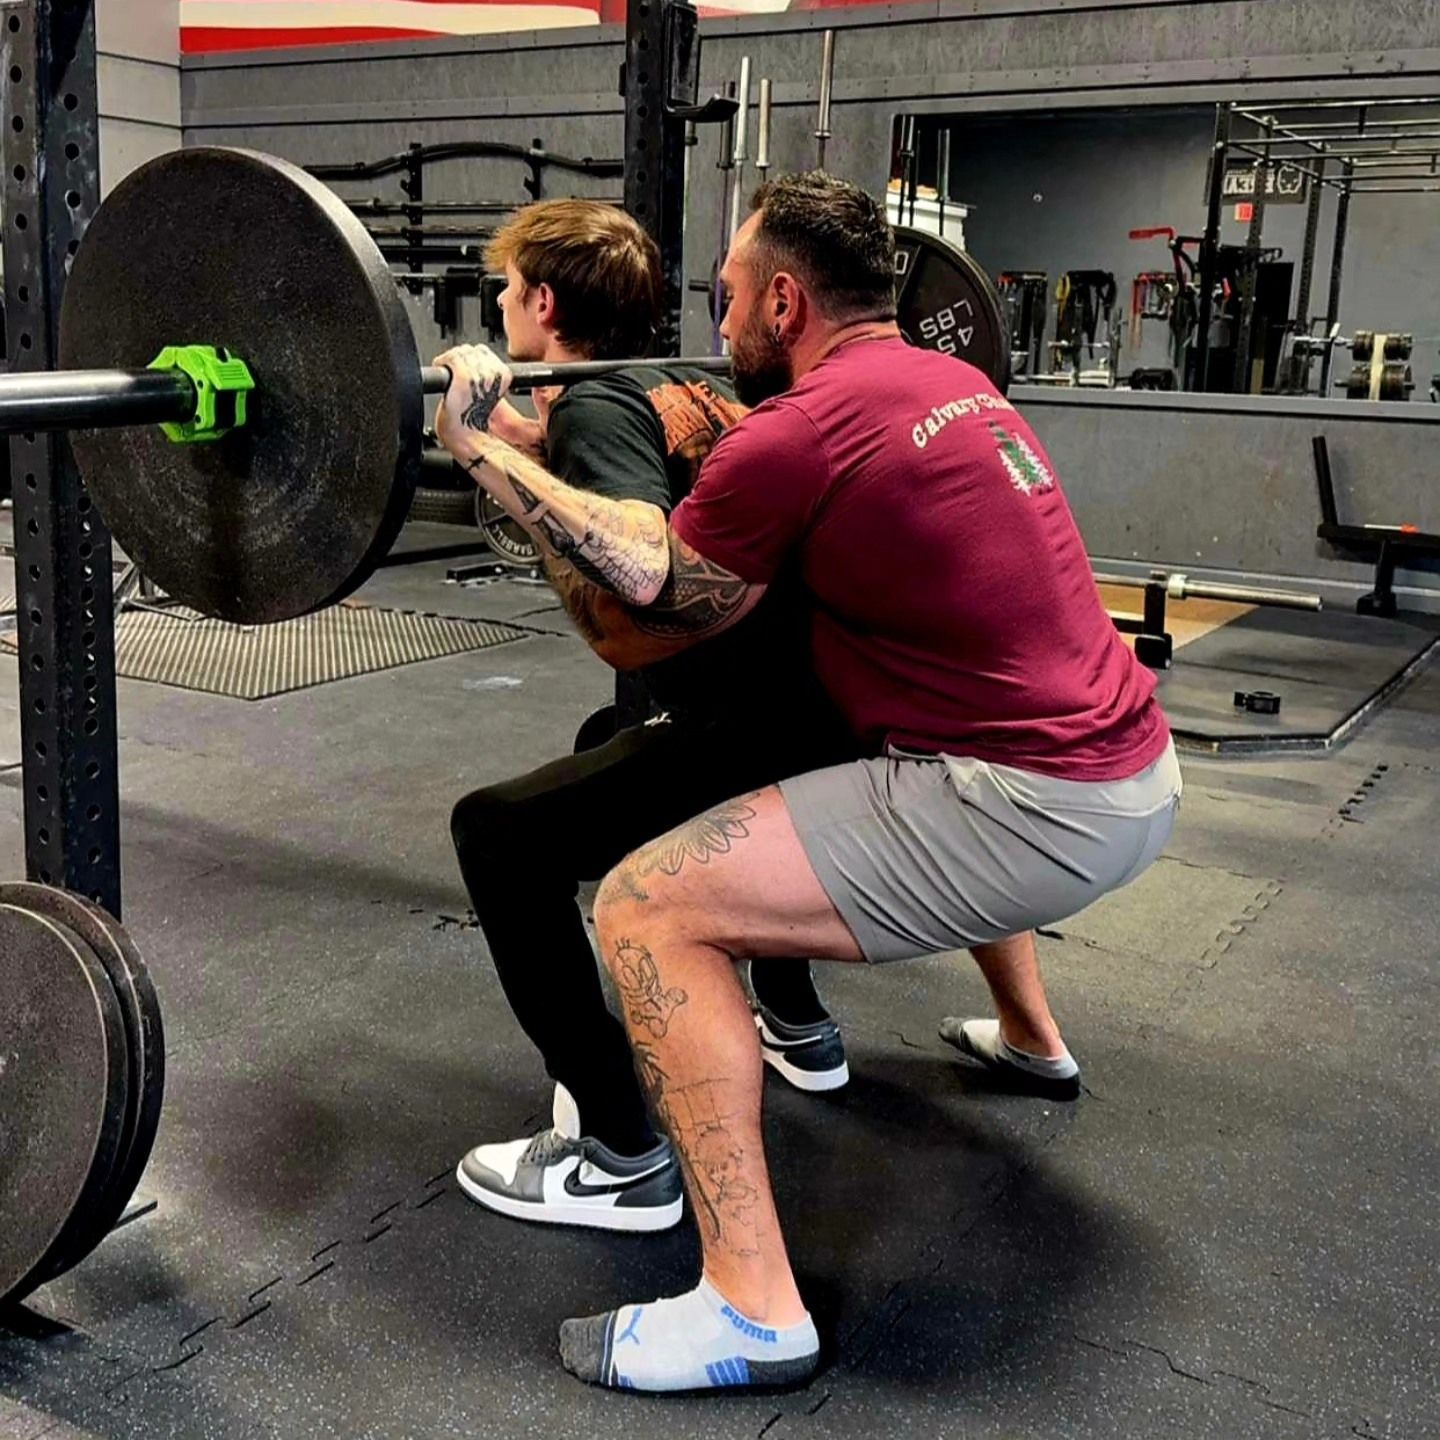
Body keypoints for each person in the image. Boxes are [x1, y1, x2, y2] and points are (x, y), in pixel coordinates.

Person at [433, 172, 1180, 1396]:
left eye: (727, 297)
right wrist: (537, 437)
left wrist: (477, 451)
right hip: (1134, 772)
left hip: (1025, 806)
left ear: (784, 302)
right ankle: (1034, 1041)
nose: (716, 321)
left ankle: (744, 1303)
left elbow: (655, 593)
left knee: (643, 906)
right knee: (870, 745)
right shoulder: (951, 385)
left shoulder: (804, 426)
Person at [449, 200, 861, 1239]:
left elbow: (634, 548)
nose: (502, 302)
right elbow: (624, 465)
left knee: (497, 835)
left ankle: (618, 1149)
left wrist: (472, 448)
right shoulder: (697, 384)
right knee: (607, 746)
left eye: (508, 289)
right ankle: (796, 1025)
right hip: (833, 715)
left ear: (544, 303)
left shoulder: (594, 412)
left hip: (759, 738)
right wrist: (524, 434)